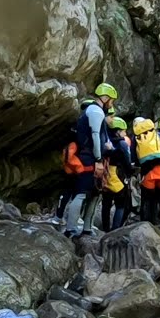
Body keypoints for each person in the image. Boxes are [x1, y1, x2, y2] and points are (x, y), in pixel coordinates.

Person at [65, 83, 117, 237]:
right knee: (82, 193)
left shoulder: (94, 111)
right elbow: (95, 135)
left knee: (95, 193)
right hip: (89, 157)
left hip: (92, 156)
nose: (112, 104)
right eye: (111, 100)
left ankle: (87, 227)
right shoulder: (95, 111)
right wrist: (99, 159)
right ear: (106, 98)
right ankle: (71, 229)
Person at [134, 117, 160, 233]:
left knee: (146, 200)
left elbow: (135, 156)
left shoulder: (137, 137)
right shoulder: (155, 134)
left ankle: (146, 224)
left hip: (147, 173)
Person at [101, 117, 135, 231]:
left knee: (106, 204)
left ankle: (105, 228)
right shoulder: (122, 144)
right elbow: (126, 161)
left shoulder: (105, 141)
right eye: (123, 131)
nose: (125, 133)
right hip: (118, 176)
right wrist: (130, 172)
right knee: (121, 204)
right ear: (117, 131)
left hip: (105, 175)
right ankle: (116, 229)